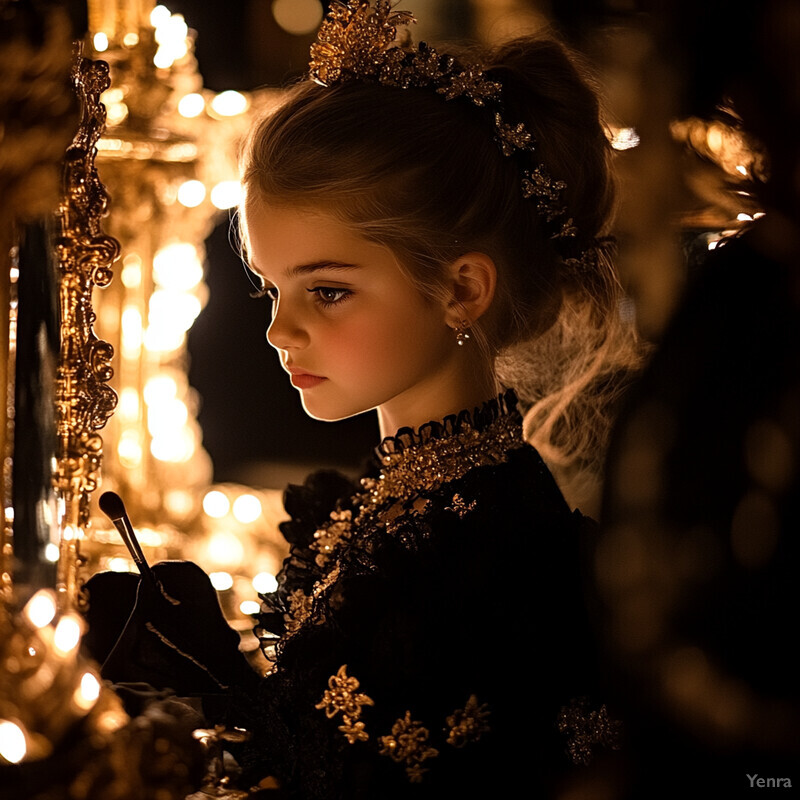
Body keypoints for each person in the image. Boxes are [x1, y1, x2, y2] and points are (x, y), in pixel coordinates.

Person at [88, 2, 640, 797]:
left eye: (330, 291)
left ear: (462, 289)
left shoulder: (483, 552)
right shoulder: (393, 507)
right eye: (272, 289)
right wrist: (221, 683)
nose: (281, 331)